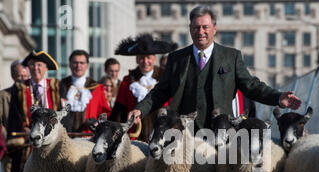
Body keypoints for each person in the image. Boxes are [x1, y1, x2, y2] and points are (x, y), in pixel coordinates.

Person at [129, 5, 301, 130]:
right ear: (190, 29)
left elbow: (252, 86)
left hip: (221, 132)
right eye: (196, 27)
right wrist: (140, 109)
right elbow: (160, 92)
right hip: (185, 133)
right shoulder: (177, 59)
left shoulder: (231, 56)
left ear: (214, 29)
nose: (201, 31)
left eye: (205, 27)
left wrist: (278, 98)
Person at [7, 50, 62, 172]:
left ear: (46, 69)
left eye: (39, 65)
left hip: (50, 141)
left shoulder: (54, 87)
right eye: (32, 65)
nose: (36, 68)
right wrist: (26, 130)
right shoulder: (21, 89)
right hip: (28, 139)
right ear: (27, 68)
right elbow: (14, 115)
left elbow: (60, 114)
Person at [109, 33, 177, 142]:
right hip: (134, 136)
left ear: (154, 59)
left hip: (161, 136)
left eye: (148, 58)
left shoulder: (166, 79)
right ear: (136, 59)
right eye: (141, 58)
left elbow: (173, 107)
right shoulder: (128, 80)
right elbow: (119, 110)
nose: (145, 62)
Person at [0, 61, 29, 172]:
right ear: (13, 76)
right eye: (19, 77)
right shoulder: (4, 96)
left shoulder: (31, 93)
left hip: (29, 147)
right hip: (11, 147)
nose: (23, 80)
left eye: (25, 76)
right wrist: (8, 139)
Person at [60, 50, 112, 133]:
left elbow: (105, 113)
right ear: (69, 64)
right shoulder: (61, 86)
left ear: (87, 65)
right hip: (64, 135)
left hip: (87, 136)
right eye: (75, 62)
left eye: (82, 63)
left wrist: (96, 123)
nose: (78, 66)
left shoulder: (96, 88)